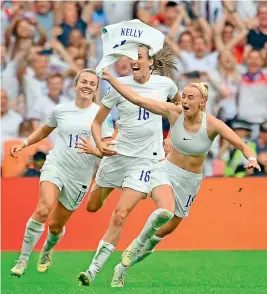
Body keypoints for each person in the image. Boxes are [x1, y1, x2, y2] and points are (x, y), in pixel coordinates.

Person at [100, 68, 260, 287]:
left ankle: (123, 267)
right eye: (183, 96)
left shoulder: (212, 124)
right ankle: (135, 244)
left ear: (202, 102)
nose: (184, 100)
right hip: (166, 171)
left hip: (190, 181)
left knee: (163, 232)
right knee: (164, 211)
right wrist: (112, 79)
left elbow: (241, 144)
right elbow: (136, 98)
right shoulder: (173, 112)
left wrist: (251, 159)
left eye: (190, 97)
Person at [77, 45, 180, 287]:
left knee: (120, 214)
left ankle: (92, 271)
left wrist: (169, 136)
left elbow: (180, 110)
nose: (134, 61)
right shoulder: (119, 86)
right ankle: (106, 188)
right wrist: (99, 145)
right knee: (93, 207)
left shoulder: (165, 85)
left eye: (139, 58)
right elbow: (97, 122)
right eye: (131, 58)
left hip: (143, 161)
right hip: (116, 156)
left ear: (150, 62)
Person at [9, 69, 114, 277]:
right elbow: (44, 131)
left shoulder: (101, 115)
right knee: (43, 209)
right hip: (56, 164)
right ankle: (22, 260)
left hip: (80, 176)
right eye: (83, 81)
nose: (87, 86)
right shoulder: (61, 110)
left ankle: (48, 248)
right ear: (75, 85)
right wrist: (24, 142)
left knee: (56, 226)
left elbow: (108, 149)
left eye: (92, 83)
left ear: (95, 89)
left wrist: (95, 150)